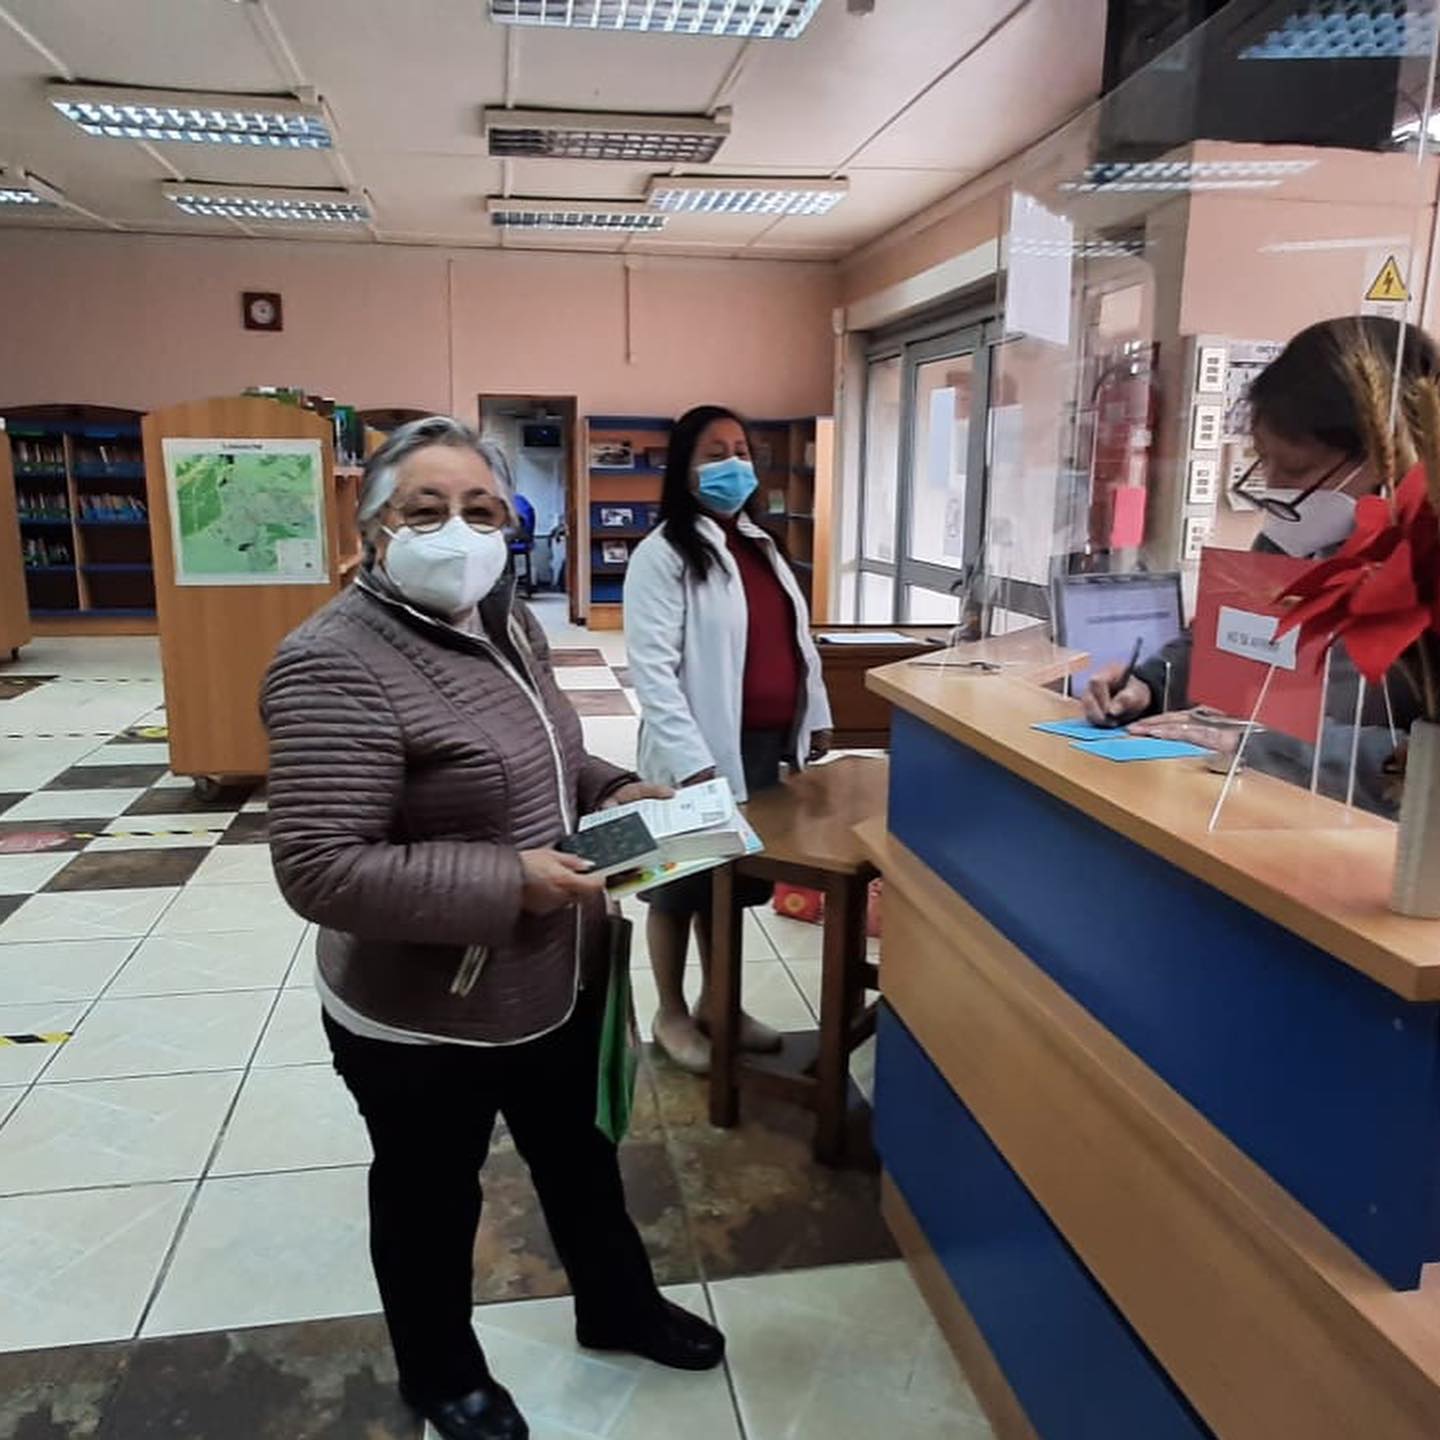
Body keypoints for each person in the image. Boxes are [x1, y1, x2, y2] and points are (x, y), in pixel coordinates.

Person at [261, 417, 723, 1440]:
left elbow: (546, 760)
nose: (457, 534)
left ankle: (617, 1304)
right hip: (424, 1012)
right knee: (431, 1196)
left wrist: (616, 786)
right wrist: (507, 880)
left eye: (481, 511)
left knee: (580, 1155)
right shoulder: (332, 661)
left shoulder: (504, 622)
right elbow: (321, 868)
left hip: (548, 976)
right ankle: (441, 1372)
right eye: (426, 512)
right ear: (372, 525)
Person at [1081, 316, 1440, 813]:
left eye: (1294, 469)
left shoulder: (1425, 569)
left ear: (1386, 454)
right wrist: (1149, 684)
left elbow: (1419, 767)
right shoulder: (1287, 537)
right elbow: (1222, 641)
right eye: (1264, 461)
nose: (1275, 486)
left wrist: (1265, 747)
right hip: (1247, 813)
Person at [623, 405, 833, 1073]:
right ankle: (672, 1013)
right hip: (697, 756)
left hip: (763, 748)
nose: (733, 462)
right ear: (683, 467)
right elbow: (652, 671)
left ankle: (721, 1004)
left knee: (734, 886)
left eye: (741, 448)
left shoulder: (758, 544)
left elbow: (794, 646)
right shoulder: (662, 554)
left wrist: (813, 716)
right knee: (677, 888)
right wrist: (693, 766)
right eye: (715, 451)